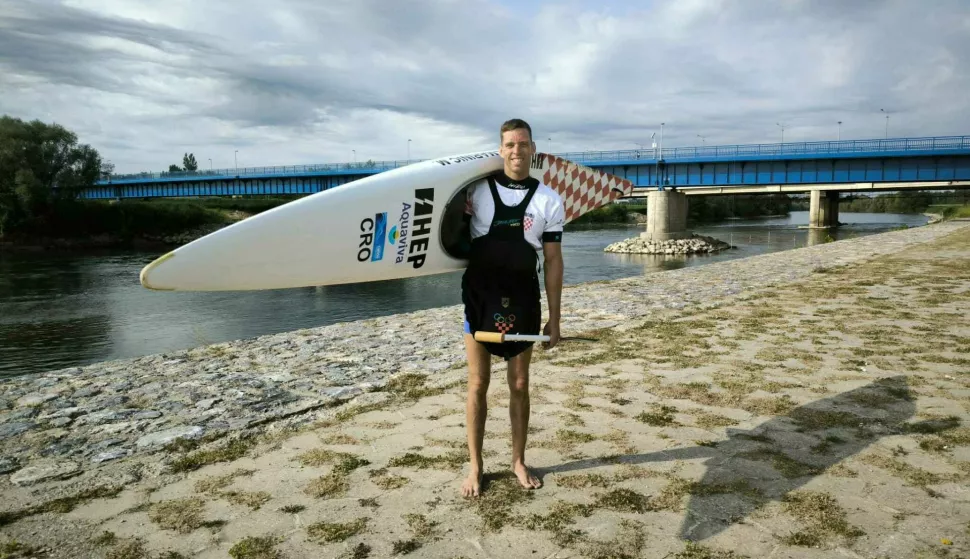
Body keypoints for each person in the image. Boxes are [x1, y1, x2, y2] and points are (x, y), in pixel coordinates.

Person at [459, 118, 565, 497]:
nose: (516, 150)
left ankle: (518, 461)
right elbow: (451, 236)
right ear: (500, 149)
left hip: (523, 298)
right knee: (478, 383)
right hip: (480, 296)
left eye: (523, 144)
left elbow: (552, 261)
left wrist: (555, 318)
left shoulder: (549, 200)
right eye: (510, 144)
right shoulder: (476, 192)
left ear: (533, 149)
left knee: (519, 384)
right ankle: (476, 466)